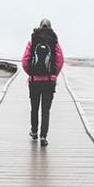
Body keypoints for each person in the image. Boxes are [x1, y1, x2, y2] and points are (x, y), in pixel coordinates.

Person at [22, 18, 64, 147]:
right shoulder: (54, 41)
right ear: (50, 27)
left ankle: (34, 132)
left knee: (34, 107)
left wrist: (31, 74)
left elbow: (25, 60)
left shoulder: (33, 39)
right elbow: (60, 60)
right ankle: (43, 137)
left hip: (34, 81)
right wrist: (53, 75)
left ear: (40, 26)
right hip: (49, 82)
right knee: (46, 110)